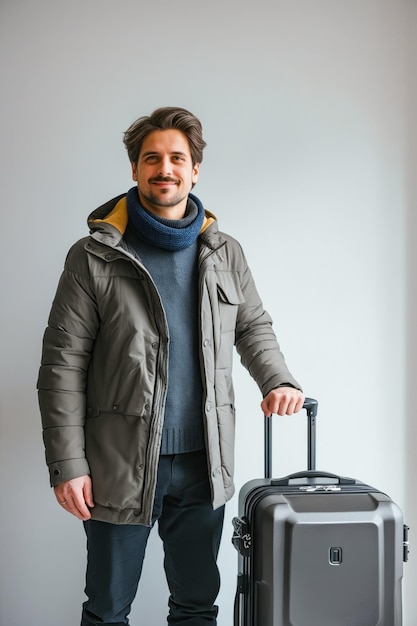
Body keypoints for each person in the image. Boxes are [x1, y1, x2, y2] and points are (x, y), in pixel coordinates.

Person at [37, 106, 304, 626]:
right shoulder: (94, 256)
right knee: (108, 609)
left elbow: (252, 327)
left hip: (206, 463)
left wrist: (278, 378)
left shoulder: (224, 252)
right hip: (120, 465)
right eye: (152, 158)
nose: (165, 168)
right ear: (135, 169)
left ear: (195, 169)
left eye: (177, 158)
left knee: (197, 606)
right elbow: (62, 366)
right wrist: (68, 464)